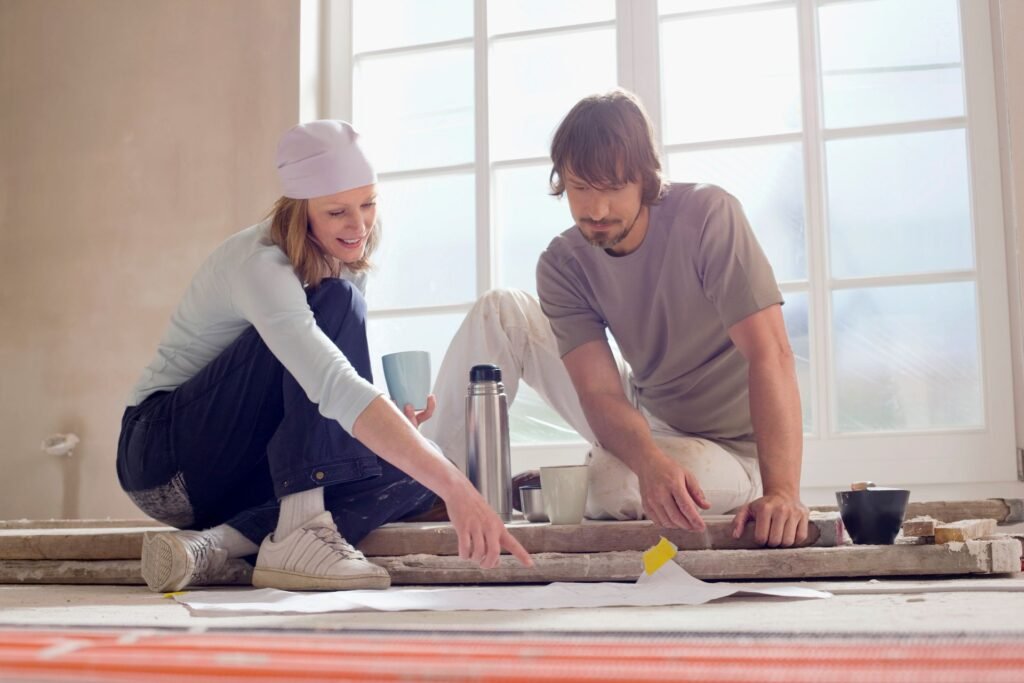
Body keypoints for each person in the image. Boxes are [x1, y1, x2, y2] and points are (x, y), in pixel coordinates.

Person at [117, 120, 532, 593]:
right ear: (301, 212)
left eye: (368, 204)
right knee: (339, 305)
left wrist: (400, 441)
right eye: (337, 212)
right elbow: (332, 382)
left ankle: (213, 547)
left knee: (418, 476)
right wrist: (459, 488)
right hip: (161, 455)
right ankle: (298, 530)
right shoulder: (258, 264)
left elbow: (321, 407)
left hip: (233, 482)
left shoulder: (345, 260)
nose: (358, 226)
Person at [423, 90, 809, 547]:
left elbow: (772, 354)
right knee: (502, 310)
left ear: (645, 179)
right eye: (581, 188)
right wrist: (648, 459)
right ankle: (430, 488)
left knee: (611, 481)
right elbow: (599, 391)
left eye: (612, 189)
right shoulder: (563, 262)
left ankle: (561, 486)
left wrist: (783, 491)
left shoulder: (709, 216)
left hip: (733, 451)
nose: (597, 210)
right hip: (645, 413)